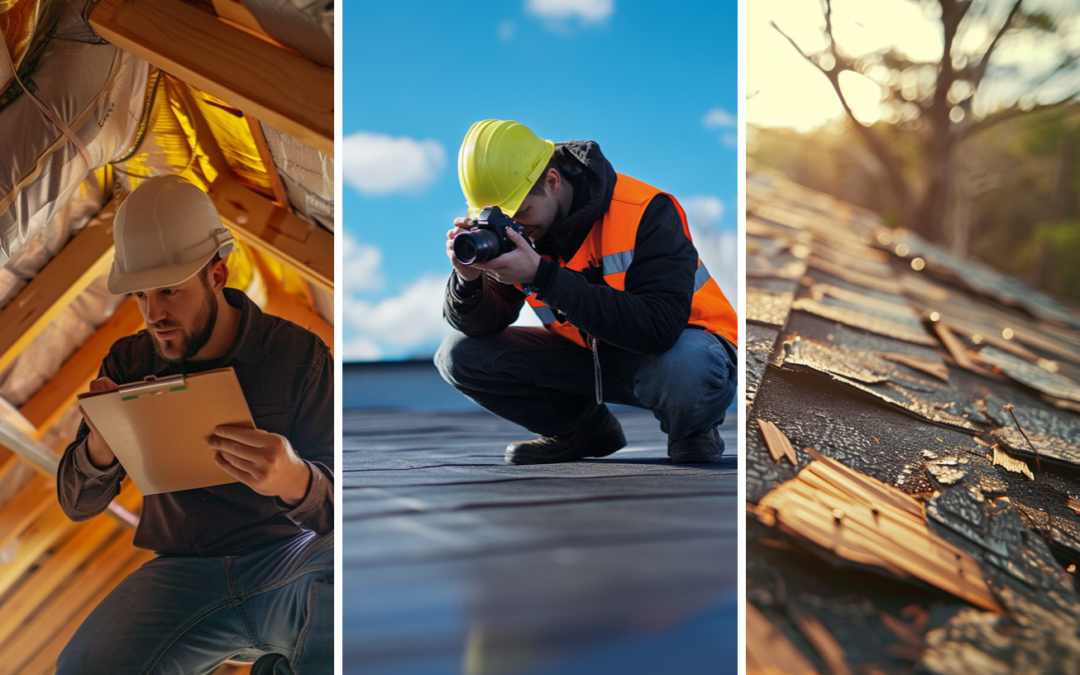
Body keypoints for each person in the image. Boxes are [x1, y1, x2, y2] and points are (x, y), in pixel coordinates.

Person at [55, 175, 333, 675]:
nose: (154, 314)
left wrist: (295, 478)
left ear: (218, 274)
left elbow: (347, 512)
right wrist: (101, 447)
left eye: (169, 291)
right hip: (179, 576)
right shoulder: (128, 362)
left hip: (287, 564)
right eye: (141, 296)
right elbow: (77, 505)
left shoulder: (298, 356)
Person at [436, 120, 738, 465]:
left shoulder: (645, 210)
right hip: (588, 360)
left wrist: (542, 276)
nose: (518, 225)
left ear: (552, 181)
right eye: (507, 218)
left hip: (677, 353)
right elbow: (480, 327)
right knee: (458, 354)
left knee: (686, 365)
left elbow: (660, 328)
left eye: (522, 212)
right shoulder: (521, 233)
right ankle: (583, 431)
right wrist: (469, 279)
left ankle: (693, 431)